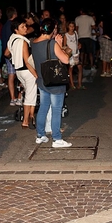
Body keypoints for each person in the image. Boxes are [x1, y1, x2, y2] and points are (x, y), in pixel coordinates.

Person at [31, 18, 72, 147]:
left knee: (43, 107)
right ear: (53, 30)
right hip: (55, 82)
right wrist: (59, 44)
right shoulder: (52, 43)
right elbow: (65, 60)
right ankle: (57, 139)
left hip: (42, 80)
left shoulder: (34, 42)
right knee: (56, 109)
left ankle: (40, 135)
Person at [5, 17, 37, 130]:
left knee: (29, 93)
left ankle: (31, 116)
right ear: (16, 30)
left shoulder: (12, 40)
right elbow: (28, 61)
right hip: (27, 71)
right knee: (30, 95)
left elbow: (6, 53)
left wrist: (15, 58)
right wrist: (35, 74)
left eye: (25, 26)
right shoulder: (23, 41)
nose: (25, 28)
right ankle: (26, 120)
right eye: (22, 27)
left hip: (18, 71)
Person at [1, 6, 22, 106]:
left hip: (7, 54)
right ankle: (18, 97)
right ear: (14, 14)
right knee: (19, 75)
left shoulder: (5, 25)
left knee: (11, 75)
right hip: (13, 53)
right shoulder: (13, 26)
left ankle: (12, 98)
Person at [63, 21, 85, 90]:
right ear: (68, 27)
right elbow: (64, 45)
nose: (72, 28)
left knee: (80, 68)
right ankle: (72, 85)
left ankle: (79, 84)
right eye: (70, 26)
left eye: (73, 26)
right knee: (71, 69)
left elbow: (77, 42)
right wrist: (67, 50)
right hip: (70, 54)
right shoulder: (66, 35)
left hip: (76, 53)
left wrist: (79, 44)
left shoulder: (75, 33)